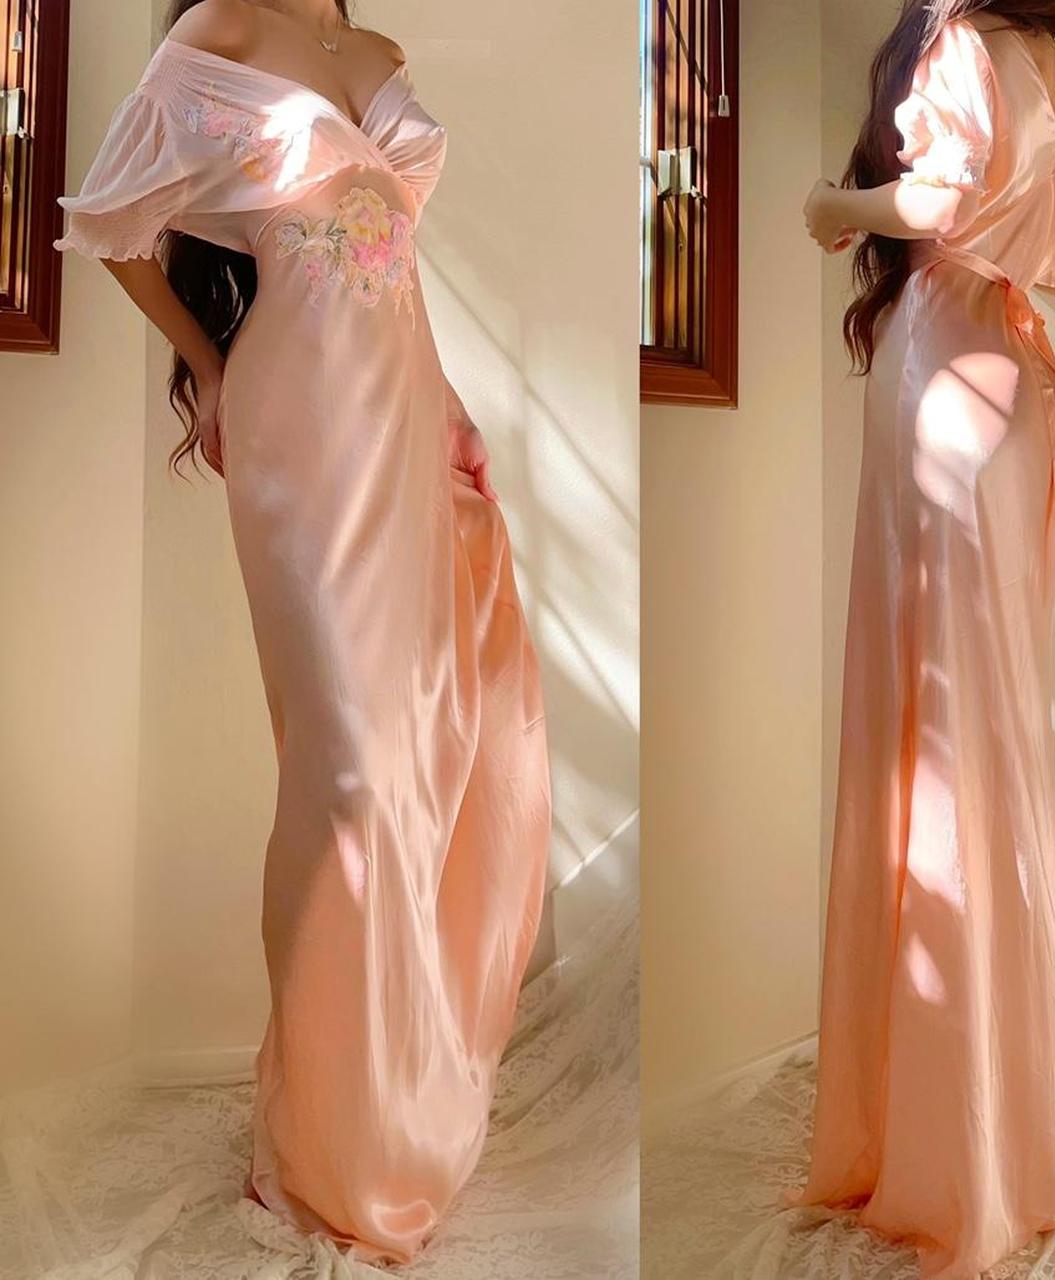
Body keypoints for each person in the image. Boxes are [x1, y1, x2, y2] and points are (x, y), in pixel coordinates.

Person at [54, 0, 551, 1263]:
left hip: (404, 413)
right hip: (301, 414)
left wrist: (451, 405)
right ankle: (323, 1136)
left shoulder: (378, 52)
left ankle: (381, 1104)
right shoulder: (220, 25)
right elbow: (111, 222)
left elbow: (392, 259)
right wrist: (214, 368)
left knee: (426, 745)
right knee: (346, 775)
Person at [796, 3, 1055, 1276]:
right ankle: (1010, 1109)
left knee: (939, 743)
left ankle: (963, 1133)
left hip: (946, 379)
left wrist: (832, 206)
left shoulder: (967, 42)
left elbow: (935, 200)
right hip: (1009, 386)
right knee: (985, 746)